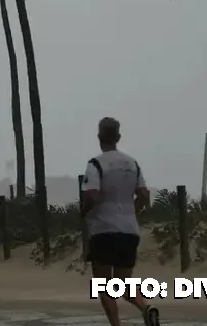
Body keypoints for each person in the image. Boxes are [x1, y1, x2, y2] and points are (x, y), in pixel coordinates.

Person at [81, 117, 159, 326]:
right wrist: (131, 212)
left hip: (104, 230)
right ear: (118, 137)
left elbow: (92, 195)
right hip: (129, 230)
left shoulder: (96, 163)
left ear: (99, 137)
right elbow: (143, 195)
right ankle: (145, 307)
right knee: (123, 284)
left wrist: (84, 213)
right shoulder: (132, 164)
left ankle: (116, 325)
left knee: (103, 285)